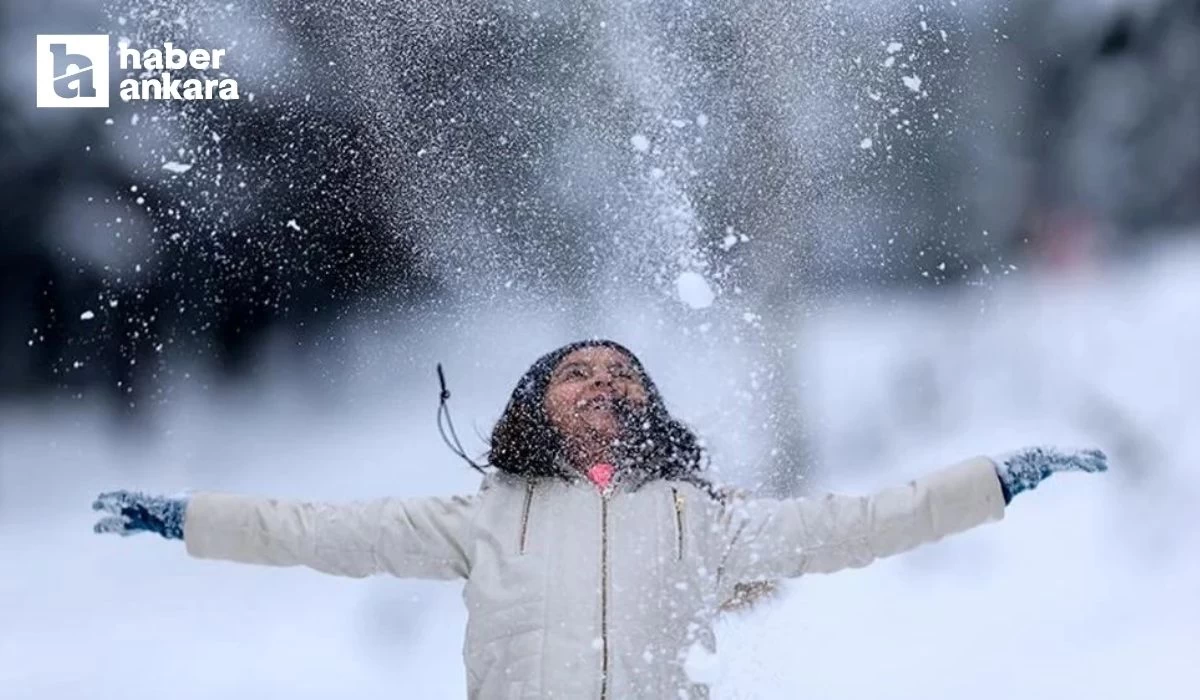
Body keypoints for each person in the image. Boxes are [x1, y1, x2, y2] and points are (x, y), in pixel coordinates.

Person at [92, 339, 1108, 699]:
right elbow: (314, 527)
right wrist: (188, 518)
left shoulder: (703, 520)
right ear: (536, 405)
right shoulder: (482, 515)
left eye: (623, 374)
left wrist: (997, 479)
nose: (603, 382)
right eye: (577, 372)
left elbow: (863, 521)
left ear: (649, 408)